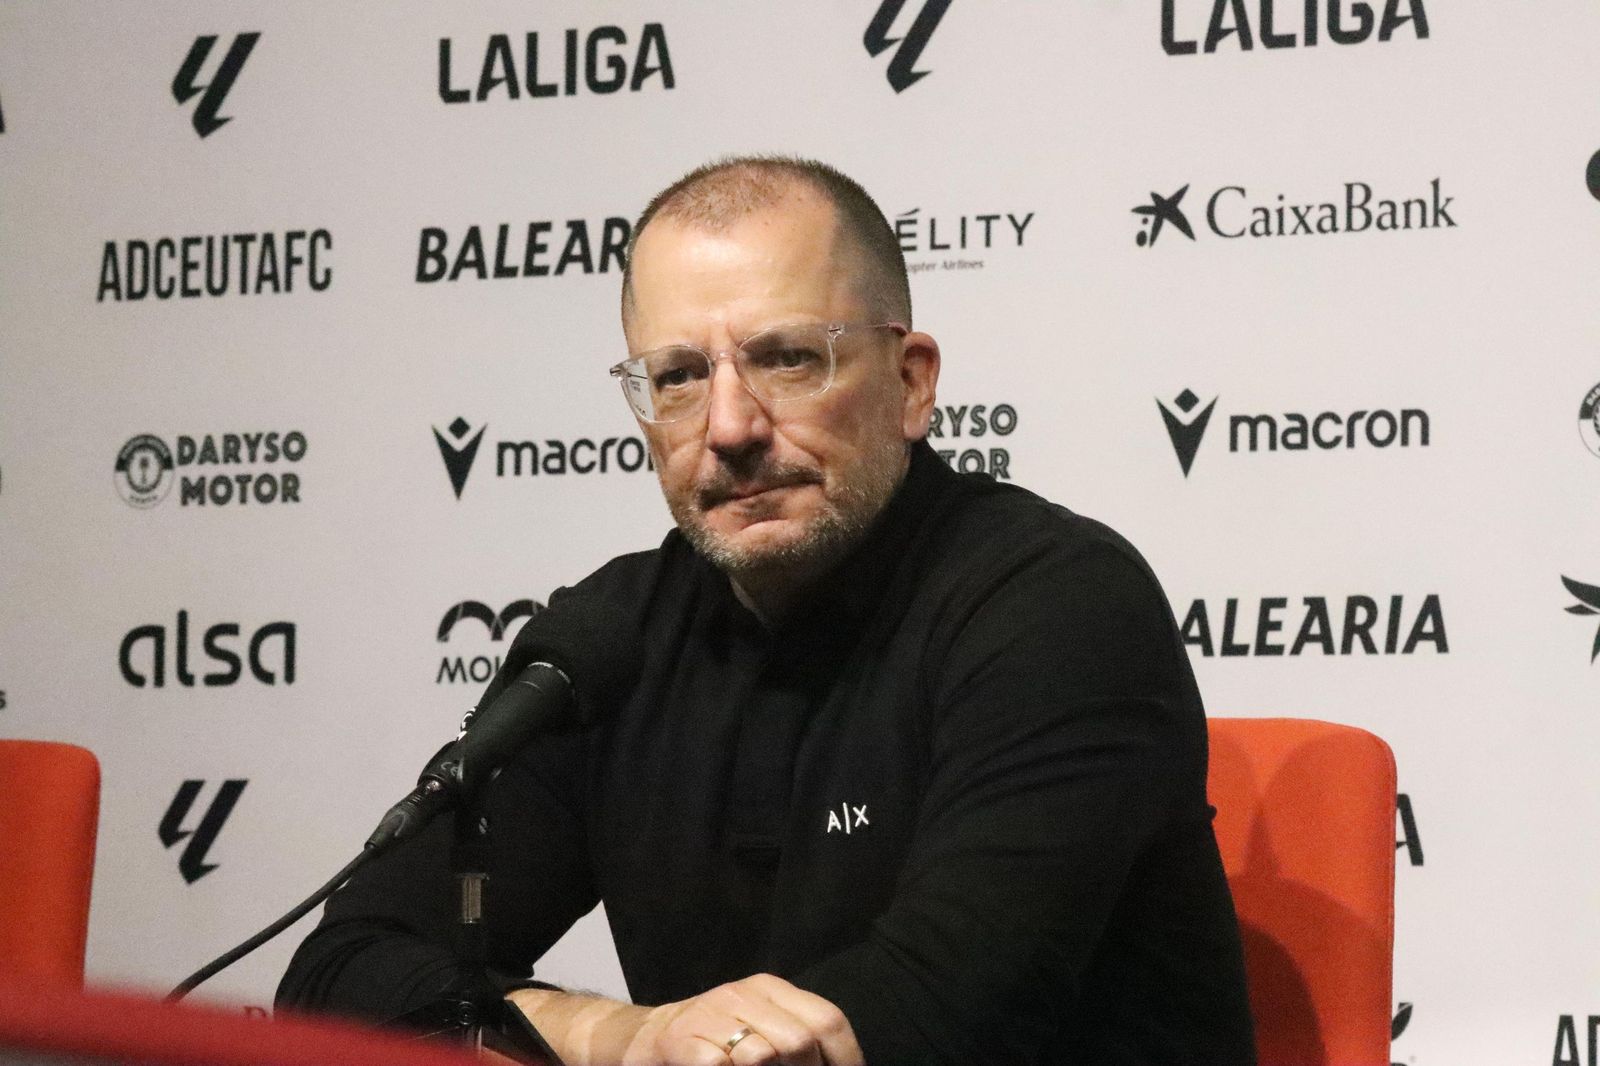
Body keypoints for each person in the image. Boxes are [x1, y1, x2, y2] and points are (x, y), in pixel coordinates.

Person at [277, 156, 1256, 1066]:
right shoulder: (609, 640)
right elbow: (344, 970)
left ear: (911, 384)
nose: (732, 426)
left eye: (787, 358)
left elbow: (939, 1012)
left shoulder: (1056, 606)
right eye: (679, 377)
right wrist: (619, 1037)